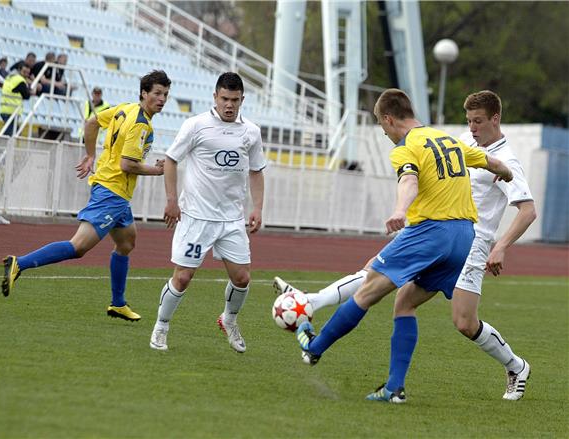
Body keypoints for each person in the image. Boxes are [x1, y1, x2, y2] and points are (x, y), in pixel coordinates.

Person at [275, 90, 536, 402]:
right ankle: (393, 388)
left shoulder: (405, 148)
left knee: (369, 288)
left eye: (382, 126)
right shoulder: (449, 140)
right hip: (463, 237)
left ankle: (314, 347)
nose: (384, 133)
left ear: (388, 119)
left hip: (433, 232)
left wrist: (400, 210)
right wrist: (503, 171)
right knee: (405, 302)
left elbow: (409, 181)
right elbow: (487, 161)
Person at [1, 70, 171, 322]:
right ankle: (20, 263)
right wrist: (157, 171)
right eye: (157, 93)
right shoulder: (141, 124)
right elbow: (128, 165)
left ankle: (118, 303)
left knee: (126, 243)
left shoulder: (125, 108)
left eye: (166, 94)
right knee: (78, 247)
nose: (162, 99)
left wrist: (90, 155)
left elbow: (91, 122)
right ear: (144, 93)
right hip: (112, 192)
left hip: (116, 193)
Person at [149, 72, 266, 353]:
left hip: (231, 219)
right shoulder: (196, 125)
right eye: (224, 99)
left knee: (242, 278)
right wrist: (171, 200)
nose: (229, 105)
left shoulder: (251, 131)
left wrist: (257, 208)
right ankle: (161, 327)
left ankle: (229, 319)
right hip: (197, 217)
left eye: (234, 100)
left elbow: (256, 170)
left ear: (242, 100)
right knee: (183, 277)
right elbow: (171, 160)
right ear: (215, 97)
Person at [0, 63, 40, 136]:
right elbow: (26, 95)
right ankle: (1, 147)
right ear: (19, 70)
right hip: (11, 111)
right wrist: (34, 83)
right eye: (24, 72)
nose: (26, 75)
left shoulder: (10, 77)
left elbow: (24, 90)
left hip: (5, 109)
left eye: (27, 73)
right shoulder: (20, 80)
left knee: (15, 133)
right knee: (9, 135)